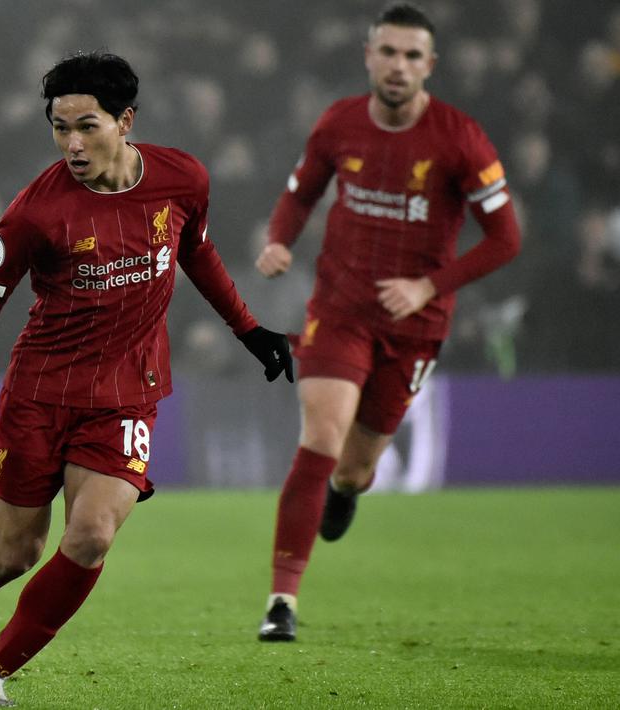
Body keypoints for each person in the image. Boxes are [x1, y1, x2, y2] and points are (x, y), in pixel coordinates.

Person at [0, 51, 293, 706]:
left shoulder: (182, 179)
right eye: (59, 127)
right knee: (15, 554)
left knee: (93, 533)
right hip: (41, 394)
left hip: (128, 392)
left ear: (125, 121)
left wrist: (248, 329)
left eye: (87, 126)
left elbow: (195, 251)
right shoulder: (34, 214)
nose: (72, 144)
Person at [253, 3, 521, 642]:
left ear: (430, 65)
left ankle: (347, 490)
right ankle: (281, 602)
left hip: (414, 326)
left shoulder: (460, 139)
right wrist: (280, 240)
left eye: (412, 55)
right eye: (389, 52)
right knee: (320, 436)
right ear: (369, 56)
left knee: (353, 467)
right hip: (340, 310)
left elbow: (506, 238)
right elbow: (300, 192)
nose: (399, 65)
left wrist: (428, 285)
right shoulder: (339, 123)